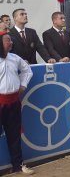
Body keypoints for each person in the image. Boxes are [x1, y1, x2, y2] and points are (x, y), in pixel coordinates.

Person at [0, 34, 34, 174]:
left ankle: (18, 165)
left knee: (14, 135)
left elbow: (27, 71)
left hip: (13, 102)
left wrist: (23, 85)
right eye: (8, 40)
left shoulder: (15, 58)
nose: (11, 42)